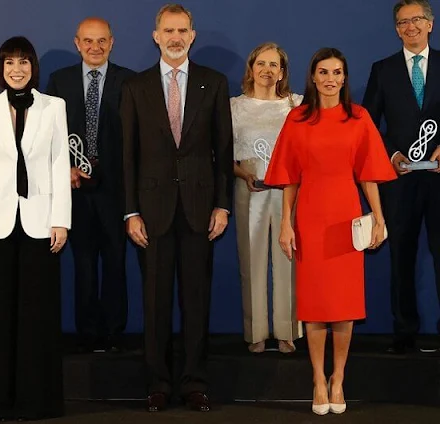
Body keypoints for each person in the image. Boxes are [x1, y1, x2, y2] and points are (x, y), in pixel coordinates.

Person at [265, 48, 396, 415]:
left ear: (344, 77)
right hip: (309, 216)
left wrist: (379, 217)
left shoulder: (359, 117)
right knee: (315, 305)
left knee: (343, 305)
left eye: (337, 72)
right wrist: (286, 224)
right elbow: (289, 178)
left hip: (346, 217)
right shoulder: (297, 119)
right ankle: (317, 380)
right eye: (323, 72)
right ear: (313, 76)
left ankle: (338, 378)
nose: (330, 79)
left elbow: (369, 172)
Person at [121, 3, 233, 413]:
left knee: (196, 299)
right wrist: (130, 211)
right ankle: (157, 384)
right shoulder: (135, 87)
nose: (175, 37)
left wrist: (222, 204)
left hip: (201, 210)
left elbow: (223, 149)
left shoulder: (214, 82)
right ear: (156, 35)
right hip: (151, 212)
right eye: (168, 30)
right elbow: (128, 156)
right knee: (154, 302)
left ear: (193, 35)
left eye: (182, 30)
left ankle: (194, 383)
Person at [0, 36, 71, 421]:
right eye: (10, 62)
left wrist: (61, 218)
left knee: (37, 314)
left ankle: (37, 401)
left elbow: (60, 164)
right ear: (0, 67)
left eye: (23, 62)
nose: (17, 69)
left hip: (41, 220)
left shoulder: (53, 107)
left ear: (33, 67)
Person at [46, 17, 134, 353]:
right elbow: (49, 134)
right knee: (82, 264)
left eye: (101, 41)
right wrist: (62, 167)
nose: (94, 47)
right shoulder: (60, 81)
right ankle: (86, 332)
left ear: (111, 42)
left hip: (115, 190)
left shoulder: (130, 82)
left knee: (115, 262)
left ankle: (113, 331)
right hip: (75, 191)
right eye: (88, 41)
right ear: (77, 43)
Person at [363, 0, 440, 354]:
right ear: (396, 29)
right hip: (399, 180)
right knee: (401, 256)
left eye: (417, 20)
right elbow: (369, 125)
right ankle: (404, 332)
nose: (410, 26)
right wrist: (391, 154)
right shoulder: (383, 69)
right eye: (403, 22)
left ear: (431, 24)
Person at [231, 42, 303, 354]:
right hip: (250, 190)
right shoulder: (235, 106)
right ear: (251, 68)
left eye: (274, 65)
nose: (267, 70)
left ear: (283, 72)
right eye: (261, 63)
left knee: (289, 260)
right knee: (252, 261)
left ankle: (287, 331)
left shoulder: (296, 105)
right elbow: (221, 151)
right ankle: (256, 332)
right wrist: (242, 174)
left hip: (289, 193)